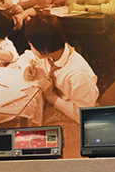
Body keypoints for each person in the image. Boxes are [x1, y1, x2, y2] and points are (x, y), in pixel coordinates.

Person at [13, 14, 97, 151]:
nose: (30, 47)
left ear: (44, 48)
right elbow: (26, 56)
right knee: (21, 130)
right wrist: (27, 67)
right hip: (51, 108)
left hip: (73, 119)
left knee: (24, 143)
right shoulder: (52, 53)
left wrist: (52, 98)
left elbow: (83, 115)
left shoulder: (78, 73)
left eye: (31, 45)